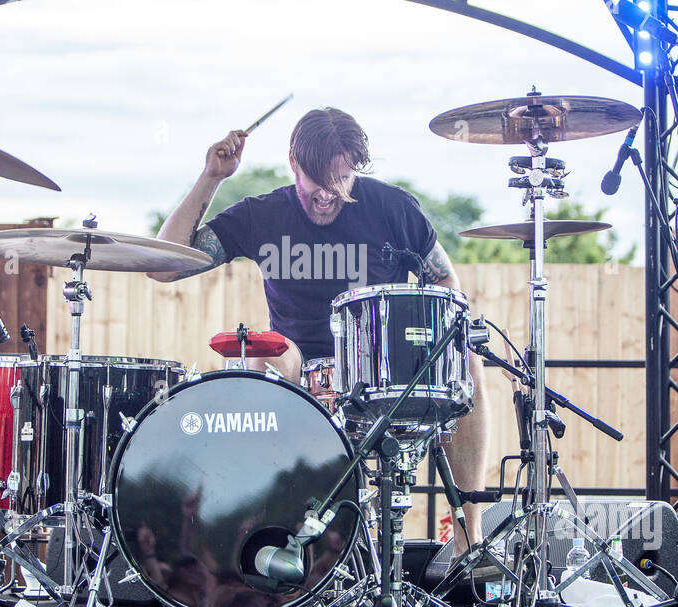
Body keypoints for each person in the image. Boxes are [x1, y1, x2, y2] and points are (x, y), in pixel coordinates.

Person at [148, 107, 490, 550]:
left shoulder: (392, 208)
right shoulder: (262, 214)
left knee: (465, 355)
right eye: (317, 183)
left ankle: (468, 537)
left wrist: (426, 337)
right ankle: (258, 530)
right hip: (297, 364)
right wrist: (211, 177)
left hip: (379, 366)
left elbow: (445, 281)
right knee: (262, 351)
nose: (328, 195)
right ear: (293, 160)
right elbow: (162, 268)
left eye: (342, 182)